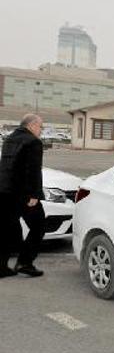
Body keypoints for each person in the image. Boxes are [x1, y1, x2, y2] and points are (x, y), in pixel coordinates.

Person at [0, 114, 46, 278]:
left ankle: (2, 267)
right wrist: (34, 194)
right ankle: (25, 263)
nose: (41, 130)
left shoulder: (9, 139)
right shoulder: (33, 142)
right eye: (41, 127)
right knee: (39, 226)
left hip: (4, 191)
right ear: (32, 125)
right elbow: (33, 170)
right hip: (24, 194)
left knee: (5, 230)